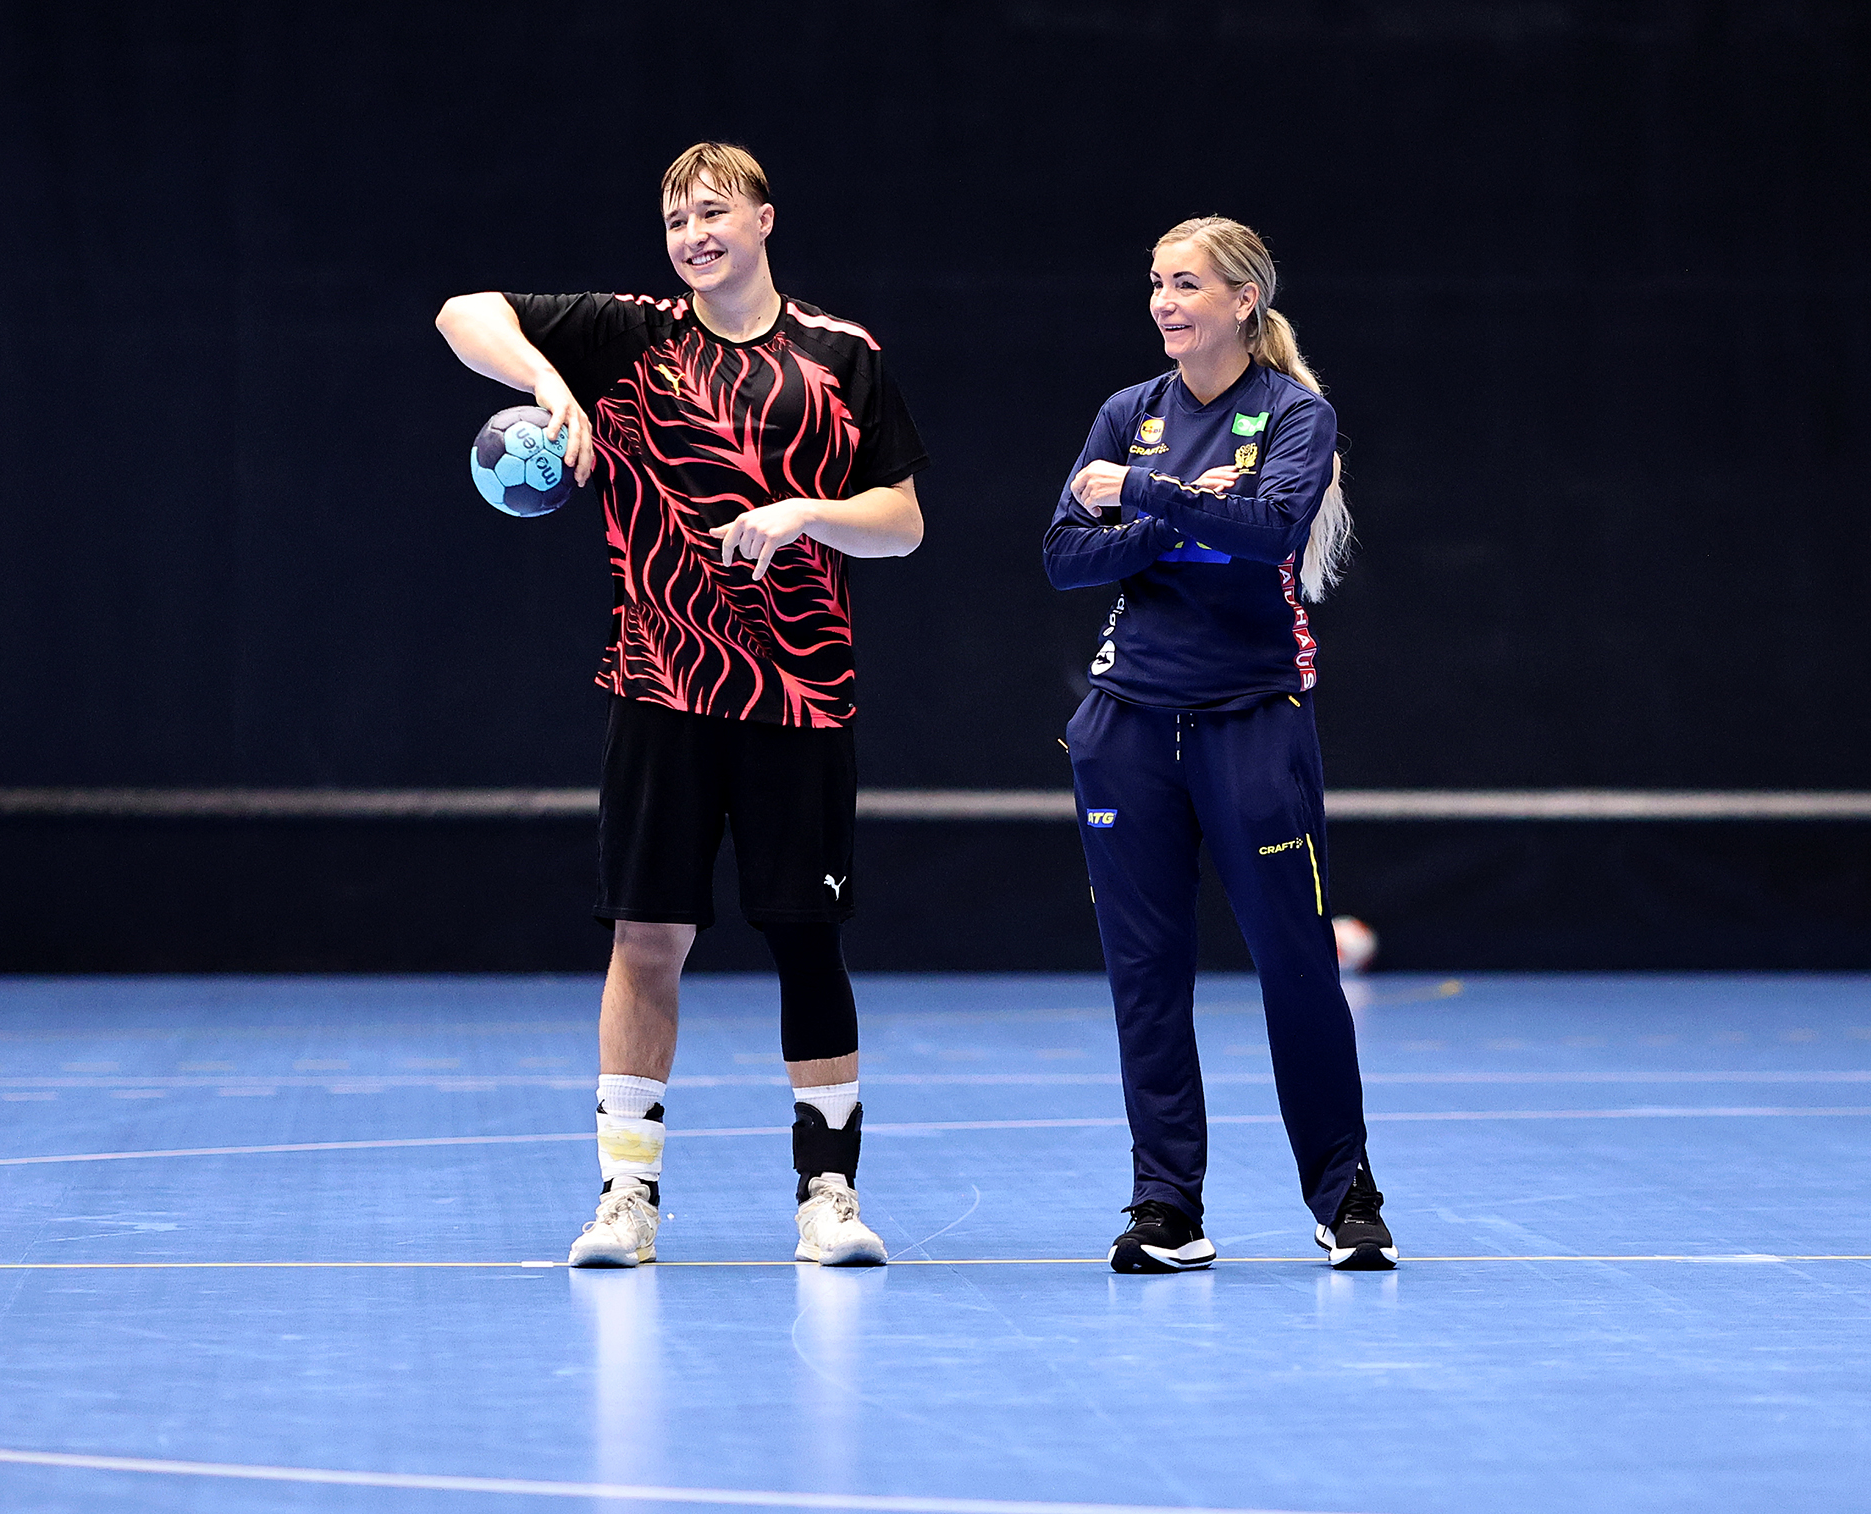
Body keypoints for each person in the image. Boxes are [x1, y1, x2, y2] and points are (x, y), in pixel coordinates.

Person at [436, 142, 928, 1268]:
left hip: (802, 695)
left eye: (713, 211)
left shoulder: (842, 357)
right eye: (673, 218)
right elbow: (463, 312)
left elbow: (900, 521)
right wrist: (548, 382)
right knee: (645, 936)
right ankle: (627, 1199)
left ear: (763, 219)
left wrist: (804, 513)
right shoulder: (632, 335)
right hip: (660, 682)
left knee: (807, 938)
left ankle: (828, 1198)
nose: (692, 233)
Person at [1043, 216, 1397, 1273]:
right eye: (1154, 282)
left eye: (1185, 283)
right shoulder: (1126, 411)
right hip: (1128, 729)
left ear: (1243, 300)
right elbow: (1064, 554)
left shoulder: (1296, 413)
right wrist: (1186, 513)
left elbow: (1272, 528)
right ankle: (1166, 1209)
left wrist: (1143, 501)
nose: (1162, 301)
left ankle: (1346, 1196)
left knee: (1295, 965)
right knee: (1145, 972)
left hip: (1251, 720)